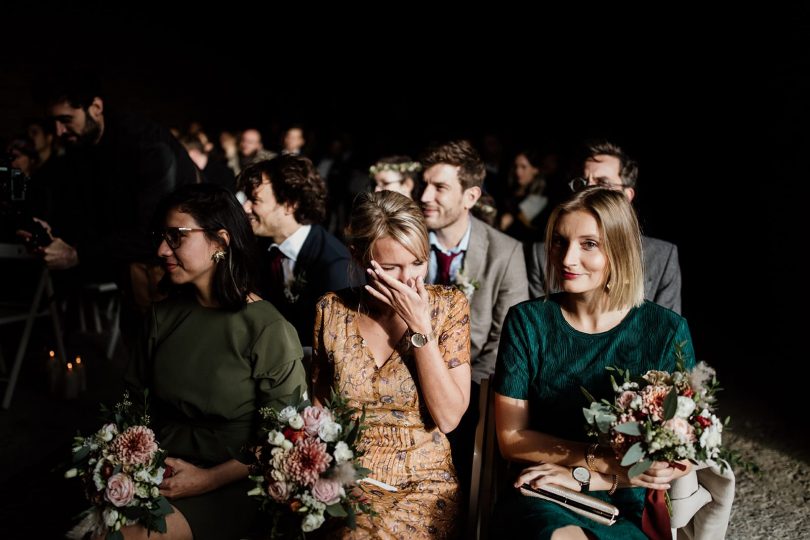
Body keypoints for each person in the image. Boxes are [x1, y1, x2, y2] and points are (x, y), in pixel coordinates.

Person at [493, 187, 695, 539]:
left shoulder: (664, 330)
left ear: (619, 249)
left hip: (622, 496)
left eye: (589, 244)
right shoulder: (528, 322)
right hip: (543, 488)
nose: (567, 258)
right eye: (559, 242)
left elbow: (686, 447)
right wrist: (592, 464)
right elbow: (511, 439)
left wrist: (594, 477)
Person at [126, 184, 307, 540]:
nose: (162, 250)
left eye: (176, 236)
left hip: (232, 481)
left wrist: (207, 480)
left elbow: (285, 437)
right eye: (161, 237)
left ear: (220, 241)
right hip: (159, 471)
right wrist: (131, 462)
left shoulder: (265, 328)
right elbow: (133, 402)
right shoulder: (162, 317)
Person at [311, 191, 471, 538]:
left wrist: (420, 328)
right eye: (391, 267)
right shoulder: (332, 310)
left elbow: (448, 417)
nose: (409, 279)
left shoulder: (448, 307)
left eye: (417, 263)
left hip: (424, 483)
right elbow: (319, 410)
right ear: (358, 256)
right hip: (349, 479)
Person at [419, 140, 528, 497]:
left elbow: (506, 342)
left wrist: (456, 387)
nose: (424, 196)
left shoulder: (506, 253)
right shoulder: (409, 242)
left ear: (470, 197)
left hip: (470, 391)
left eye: (439, 188)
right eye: (424, 184)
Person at [527, 140, 681, 313]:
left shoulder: (662, 256)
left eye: (602, 183)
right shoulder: (543, 255)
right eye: (582, 182)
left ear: (626, 195)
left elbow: (666, 332)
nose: (589, 189)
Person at [237, 155, 358, 348]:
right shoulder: (260, 247)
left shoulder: (334, 265)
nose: (245, 208)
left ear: (290, 204)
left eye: (255, 200)